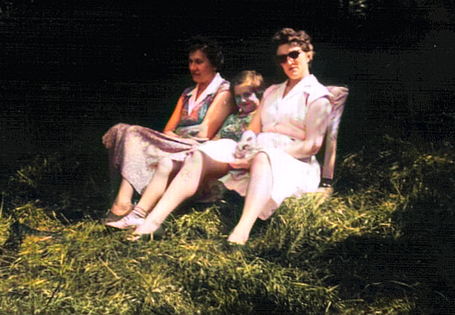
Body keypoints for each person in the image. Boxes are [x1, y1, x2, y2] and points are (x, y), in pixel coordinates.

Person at [128, 28, 331, 244]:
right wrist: (247, 141)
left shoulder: (318, 95)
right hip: (258, 151)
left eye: (294, 54)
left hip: (294, 160)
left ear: (308, 54)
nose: (289, 62)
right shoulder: (272, 91)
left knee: (264, 158)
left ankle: (241, 233)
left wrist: (265, 151)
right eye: (282, 58)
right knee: (202, 153)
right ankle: (152, 222)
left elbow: (312, 146)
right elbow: (253, 128)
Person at [105, 70, 265, 230]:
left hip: (231, 160)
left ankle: (150, 217)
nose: (242, 101)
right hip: (213, 153)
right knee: (166, 163)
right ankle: (138, 214)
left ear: (259, 94)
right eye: (238, 96)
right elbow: (216, 138)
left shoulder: (259, 117)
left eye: (247, 95)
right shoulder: (233, 117)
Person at [102, 37, 234, 223]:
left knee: (133, 133)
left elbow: (204, 133)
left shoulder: (223, 90)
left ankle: (123, 205)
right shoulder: (188, 93)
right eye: (191, 62)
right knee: (121, 130)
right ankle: (123, 200)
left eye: (199, 62)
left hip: (197, 149)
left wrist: (175, 135)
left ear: (213, 64)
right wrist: (173, 135)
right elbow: (168, 130)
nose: (193, 67)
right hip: (174, 143)